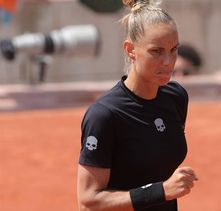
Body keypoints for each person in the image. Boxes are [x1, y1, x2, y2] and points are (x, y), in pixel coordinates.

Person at [77, 0, 198, 210]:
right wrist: (160, 191)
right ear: (131, 49)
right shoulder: (104, 115)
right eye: (157, 51)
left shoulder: (176, 97)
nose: (169, 62)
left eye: (173, 49)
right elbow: (88, 202)